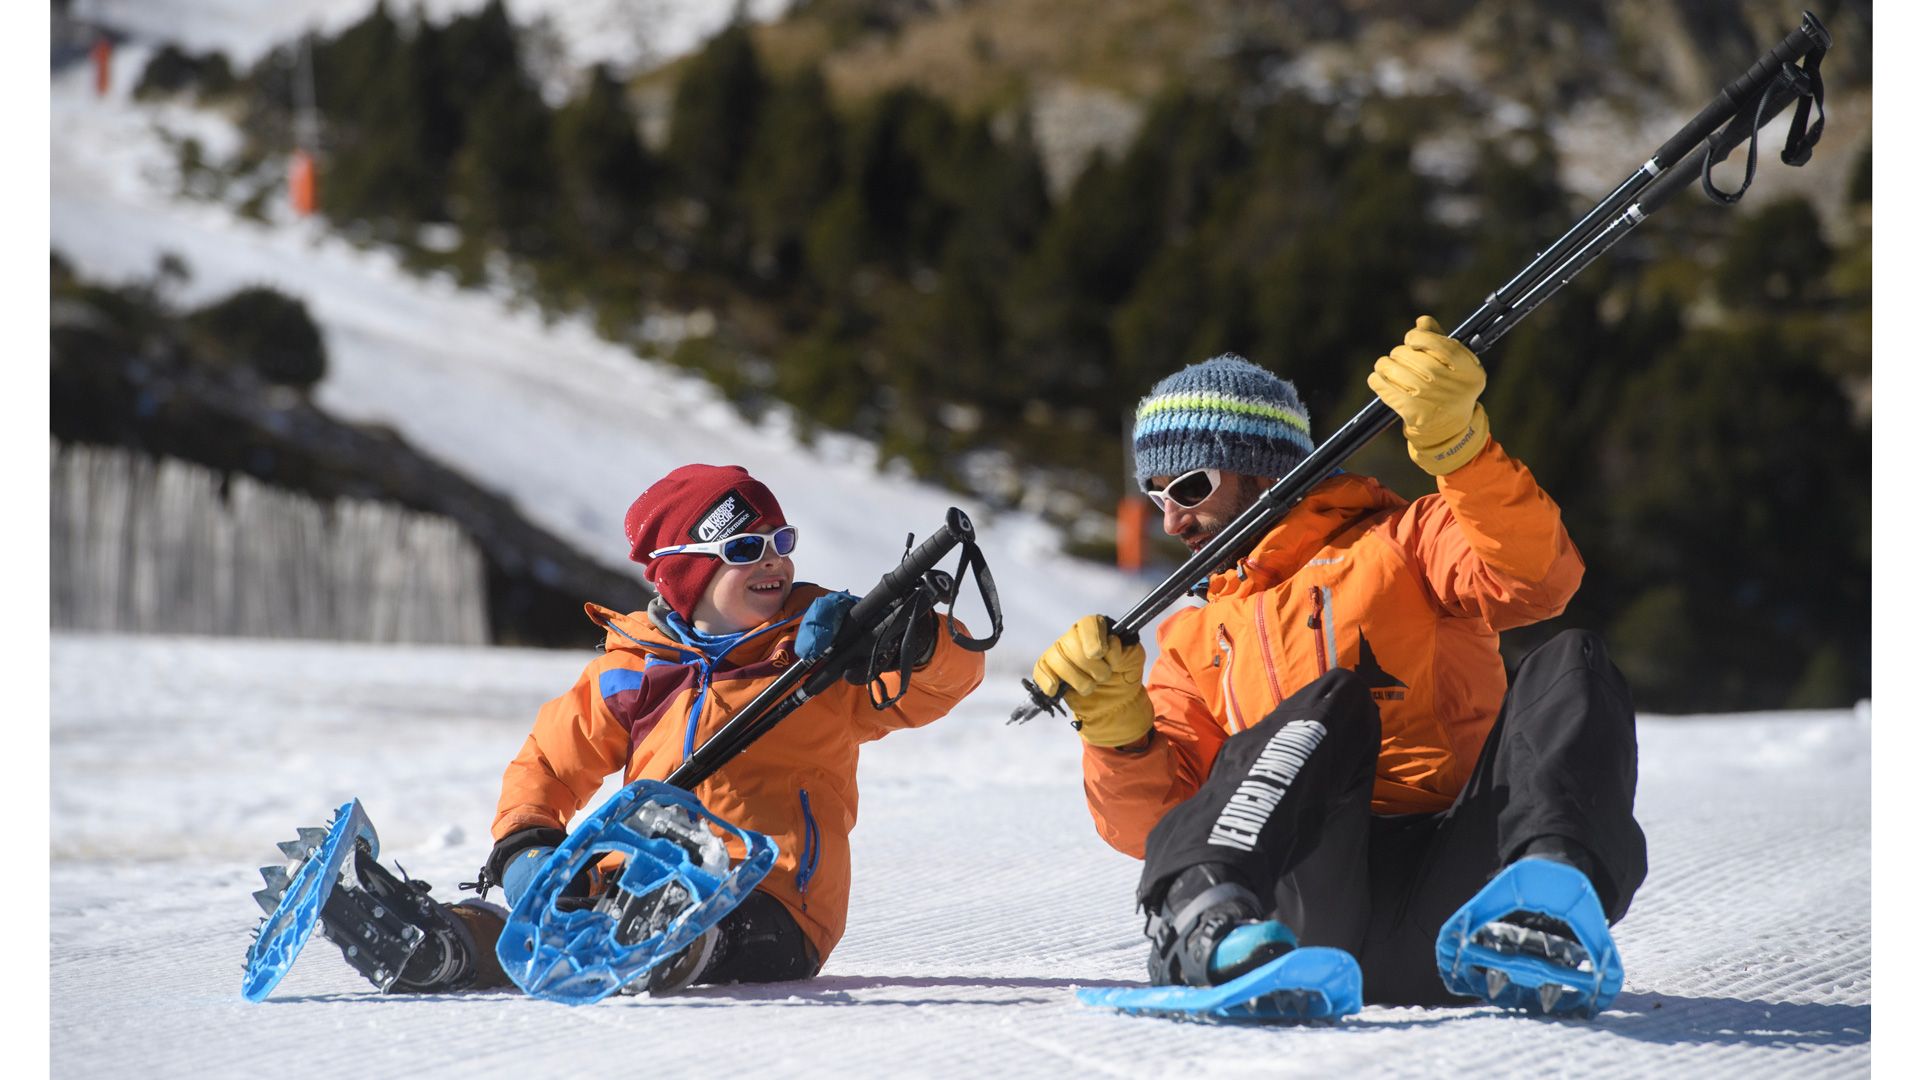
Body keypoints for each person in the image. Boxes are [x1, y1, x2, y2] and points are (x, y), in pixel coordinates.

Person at [1030, 318, 1648, 1011]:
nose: (1172, 520)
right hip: (1306, 912)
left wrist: (1462, 452)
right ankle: (1206, 926)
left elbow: (1539, 578)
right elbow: (1158, 823)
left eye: (1191, 487)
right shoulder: (1191, 638)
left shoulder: (1405, 542)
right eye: (1158, 495)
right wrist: (1118, 734)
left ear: (1264, 469)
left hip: (1453, 901)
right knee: (1328, 706)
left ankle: (1543, 908)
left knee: (1574, 660)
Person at [310, 463, 986, 995]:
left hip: (775, 897)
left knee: (689, 925)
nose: (775, 561)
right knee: (561, 917)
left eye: (783, 542)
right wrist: (526, 848)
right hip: (634, 881)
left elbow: (938, 687)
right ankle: (445, 944)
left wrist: (910, 641)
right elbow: (548, 759)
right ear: (686, 571)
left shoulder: (823, 649)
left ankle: (676, 946)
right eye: (746, 547)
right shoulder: (635, 665)